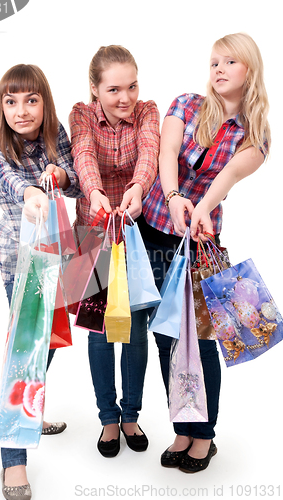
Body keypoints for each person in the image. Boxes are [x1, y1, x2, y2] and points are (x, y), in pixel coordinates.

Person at [138, 32, 270, 473]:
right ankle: (181, 426)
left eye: (229, 62)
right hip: (154, 230)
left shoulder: (255, 136)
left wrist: (201, 210)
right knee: (164, 338)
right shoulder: (187, 104)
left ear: (249, 70)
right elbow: (167, 151)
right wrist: (175, 197)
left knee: (199, 340)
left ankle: (204, 435)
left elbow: (227, 177)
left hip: (197, 244)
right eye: (214, 61)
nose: (218, 69)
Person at [0, 64, 81, 499]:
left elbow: (76, 179)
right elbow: (10, 183)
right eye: (11, 101)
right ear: (1, 107)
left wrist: (60, 175)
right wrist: (32, 191)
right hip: (22, 262)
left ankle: (31, 407)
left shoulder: (56, 138)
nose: (21, 111)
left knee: (49, 341)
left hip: (65, 255)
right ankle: (13, 463)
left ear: (44, 102)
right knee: (25, 351)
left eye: (31, 100)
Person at [69, 45, 160, 457]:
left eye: (132, 86)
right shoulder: (82, 115)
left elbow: (149, 152)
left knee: (135, 328)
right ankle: (108, 418)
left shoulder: (147, 111)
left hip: (133, 231)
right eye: (114, 90)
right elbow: (83, 154)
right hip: (92, 230)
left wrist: (138, 189)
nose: (126, 98)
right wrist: (95, 194)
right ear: (95, 90)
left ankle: (131, 415)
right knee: (100, 329)